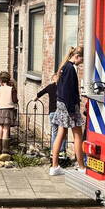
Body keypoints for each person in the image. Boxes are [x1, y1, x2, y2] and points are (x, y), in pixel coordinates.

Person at [49, 46, 86, 176]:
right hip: (69, 106)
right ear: (76, 56)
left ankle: (54, 166)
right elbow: (68, 91)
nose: (81, 63)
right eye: (81, 60)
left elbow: (61, 89)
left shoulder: (63, 67)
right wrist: (72, 109)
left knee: (60, 133)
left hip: (60, 104)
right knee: (77, 135)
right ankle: (81, 166)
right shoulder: (70, 69)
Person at [0, 71, 19, 153]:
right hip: (8, 110)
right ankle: (5, 150)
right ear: (8, 79)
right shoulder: (12, 89)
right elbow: (15, 101)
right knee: (6, 129)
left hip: (0, 110)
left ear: (0, 80)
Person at [36, 73, 59, 156]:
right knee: (63, 132)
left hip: (52, 112)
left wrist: (35, 99)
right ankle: (61, 151)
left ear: (52, 79)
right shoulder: (62, 87)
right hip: (60, 113)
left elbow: (39, 94)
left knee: (54, 132)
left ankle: (53, 150)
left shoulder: (49, 87)